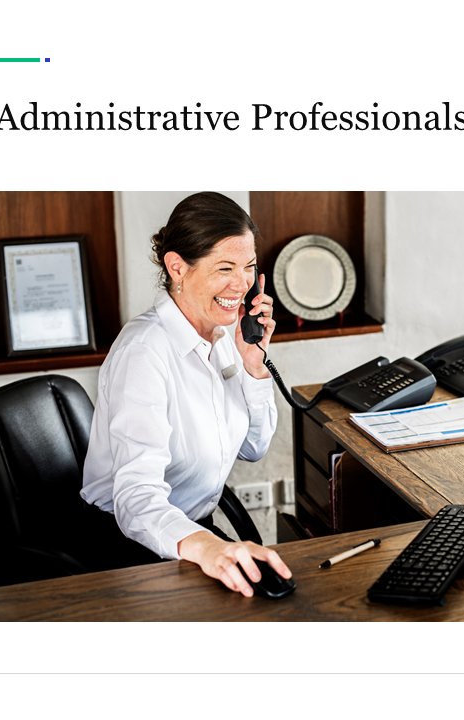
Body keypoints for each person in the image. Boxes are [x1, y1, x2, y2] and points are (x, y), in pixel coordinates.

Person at [80, 191, 291, 597]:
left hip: (191, 531)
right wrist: (209, 546)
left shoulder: (221, 336)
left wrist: (253, 366)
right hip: (130, 544)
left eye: (248, 267)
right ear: (177, 267)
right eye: (224, 267)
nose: (241, 284)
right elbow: (136, 497)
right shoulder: (144, 353)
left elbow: (253, 446)